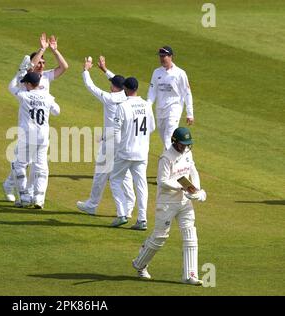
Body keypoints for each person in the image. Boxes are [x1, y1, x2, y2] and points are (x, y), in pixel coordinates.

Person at [131, 127, 207, 285]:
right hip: (166, 203)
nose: (184, 147)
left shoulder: (187, 153)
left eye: (187, 144)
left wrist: (196, 189)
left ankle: (190, 275)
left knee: (190, 235)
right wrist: (182, 187)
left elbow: (193, 171)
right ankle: (139, 264)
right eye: (182, 144)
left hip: (184, 202)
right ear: (174, 142)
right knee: (160, 237)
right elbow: (163, 181)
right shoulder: (166, 157)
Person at [3, 33, 68, 205]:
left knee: (25, 163)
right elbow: (57, 110)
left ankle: (25, 194)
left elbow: (64, 67)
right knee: (33, 164)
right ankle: (30, 195)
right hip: (39, 128)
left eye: (43, 62)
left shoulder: (34, 84)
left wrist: (53, 50)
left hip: (32, 127)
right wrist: (42, 49)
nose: (41, 64)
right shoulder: (30, 77)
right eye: (39, 61)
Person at [76, 56, 136, 222]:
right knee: (125, 176)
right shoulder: (128, 97)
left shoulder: (109, 98)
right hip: (125, 141)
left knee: (101, 174)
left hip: (110, 141)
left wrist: (86, 70)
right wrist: (104, 70)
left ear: (112, 87)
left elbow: (90, 86)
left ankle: (92, 205)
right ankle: (129, 207)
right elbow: (117, 81)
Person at [8, 71, 60, 209]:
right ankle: (39, 198)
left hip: (27, 136)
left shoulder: (25, 96)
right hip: (43, 136)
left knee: (19, 165)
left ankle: (24, 196)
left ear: (30, 84)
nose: (24, 84)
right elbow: (57, 111)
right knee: (41, 168)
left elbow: (11, 87)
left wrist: (19, 72)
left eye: (26, 83)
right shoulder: (47, 97)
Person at [109, 77, 156, 229]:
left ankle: (122, 213)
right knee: (141, 185)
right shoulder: (146, 105)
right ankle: (142, 219)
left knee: (115, 180)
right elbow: (152, 127)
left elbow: (115, 131)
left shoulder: (123, 106)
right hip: (142, 152)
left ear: (125, 89)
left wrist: (118, 148)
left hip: (125, 151)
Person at [147, 46, 193, 149]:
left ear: (171, 56)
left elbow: (187, 93)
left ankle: (169, 162)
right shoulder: (156, 72)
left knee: (169, 137)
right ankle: (175, 158)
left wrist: (190, 113)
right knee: (164, 139)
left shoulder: (180, 73)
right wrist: (148, 105)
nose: (162, 58)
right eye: (160, 56)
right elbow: (152, 91)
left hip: (174, 108)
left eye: (164, 56)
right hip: (160, 109)